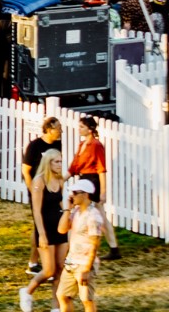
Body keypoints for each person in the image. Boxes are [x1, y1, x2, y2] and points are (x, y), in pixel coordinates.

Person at [68, 117, 117, 258]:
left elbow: (101, 169)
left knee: (87, 212)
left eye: (82, 127)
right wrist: (61, 179)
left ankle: (73, 246)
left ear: (90, 129)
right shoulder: (81, 145)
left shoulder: (96, 145)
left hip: (92, 181)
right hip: (83, 179)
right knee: (98, 214)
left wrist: (103, 192)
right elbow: (74, 167)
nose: (79, 129)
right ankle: (114, 248)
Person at [21, 116, 62, 275]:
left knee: (53, 222)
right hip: (38, 190)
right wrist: (33, 190)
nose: (60, 131)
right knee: (39, 226)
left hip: (53, 190)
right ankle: (33, 262)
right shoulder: (35, 146)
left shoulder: (59, 145)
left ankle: (52, 258)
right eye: (58, 128)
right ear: (49, 129)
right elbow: (26, 170)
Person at [54, 177, 103, 312]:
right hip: (71, 262)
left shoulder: (93, 216)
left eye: (75, 193)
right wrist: (67, 210)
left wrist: (87, 269)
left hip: (84, 264)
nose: (72, 196)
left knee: (87, 300)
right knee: (62, 295)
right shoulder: (75, 212)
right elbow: (62, 229)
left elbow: (95, 244)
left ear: (85, 194)